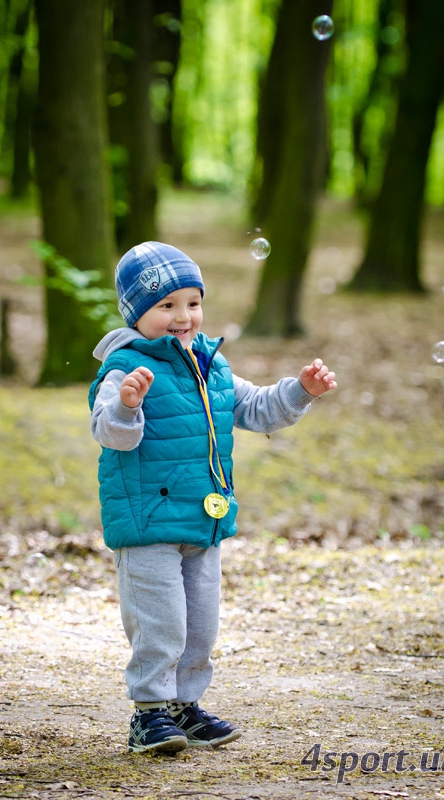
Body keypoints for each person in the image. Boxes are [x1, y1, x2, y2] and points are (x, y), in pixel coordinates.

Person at [89, 241, 337, 755]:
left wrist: (301, 391)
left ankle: (185, 706)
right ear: (137, 313)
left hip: (203, 520)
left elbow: (259, 409)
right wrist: (128, 404)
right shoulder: (124, 368)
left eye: (192, 302)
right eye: (166, 306)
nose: (184, 316)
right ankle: (150, 714)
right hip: (149, 521)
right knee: (160, 622)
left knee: (201, 622)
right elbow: (112, 433)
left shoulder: (212, 367)